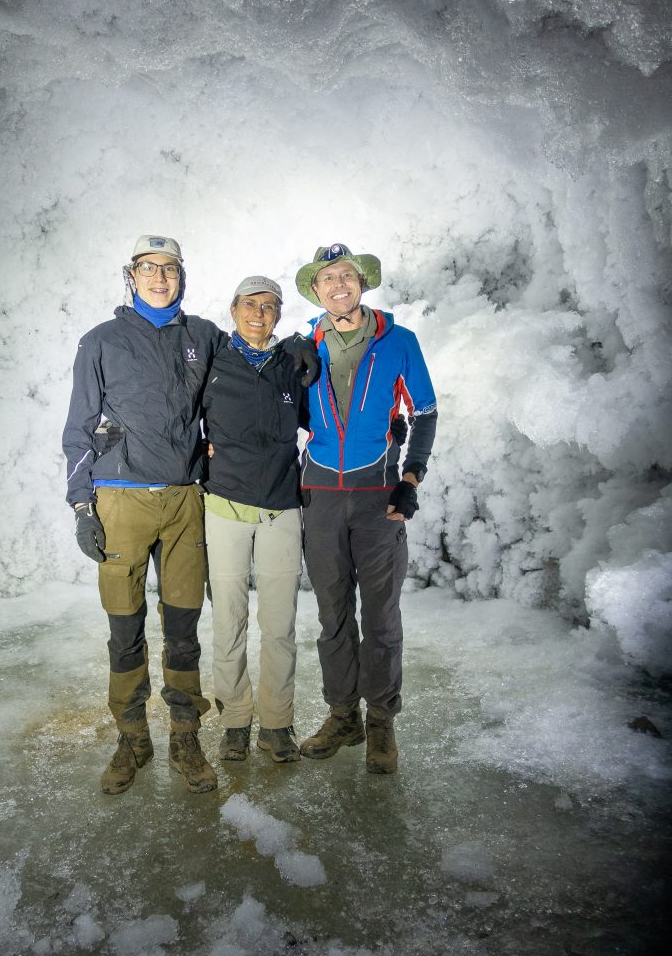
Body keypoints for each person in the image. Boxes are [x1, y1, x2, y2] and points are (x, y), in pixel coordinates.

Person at [62, 234, 224, 795]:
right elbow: (79, 428)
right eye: (148, 269)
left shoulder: (204, 337)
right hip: (121, 499)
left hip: (184, 502)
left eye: (170, 269)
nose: (160, 278)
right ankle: (132, 736)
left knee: (183, 628)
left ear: (183, 276)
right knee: (124, 629)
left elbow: (242, 391)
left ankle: (185, 732)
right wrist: (83, 505)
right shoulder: (101, 341)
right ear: (130, 275)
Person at [295, 243, 438, 774]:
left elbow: (425, 410)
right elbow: (281, 416)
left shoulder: (398, 342)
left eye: (347, 276)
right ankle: (342, 716)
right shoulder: (301, 346)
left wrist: (410, 477)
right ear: (316, 290)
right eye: (328, 278)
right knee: (332, 616)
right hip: (321, 498)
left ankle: (380, 720)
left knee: (379, 616)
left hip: (379, 497)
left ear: (362, 283)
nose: (339, 285)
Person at [201, 275, 306, 765]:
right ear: (233, 308)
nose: (259, 313)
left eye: (269, 306)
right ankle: (236, 721)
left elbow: (323, 418)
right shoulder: (213, 360)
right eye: (250, 304)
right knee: (229, 621)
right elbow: (181, 418)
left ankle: (278, 723)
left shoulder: (292, 364)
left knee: (280, 624)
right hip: (224, 506)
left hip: (282, 507)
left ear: (279, 314)